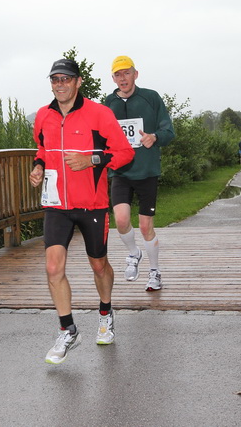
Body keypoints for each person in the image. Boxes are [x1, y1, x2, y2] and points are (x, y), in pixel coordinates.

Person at [30, 58, 135, 364]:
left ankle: (105, 313)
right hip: (56, 205)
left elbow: (124, 153)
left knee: (99, 265)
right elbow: (42, 149)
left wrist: (92, 160)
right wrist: (38, 167)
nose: (60, 84)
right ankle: (68, 330)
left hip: (92, 204)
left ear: (78, 82)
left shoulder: (99, 114)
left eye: (66, 79)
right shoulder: (43, 115)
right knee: (53, 267)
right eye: (55, 79)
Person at [104, 56, 175, 291]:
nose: (123, 78)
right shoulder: (108, 103)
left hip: (147, 171)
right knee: (121, 220)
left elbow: (168, 131)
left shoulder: (151, 97)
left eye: (127, 73)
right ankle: (134, 253)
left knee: (145, 227)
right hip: (120, 171)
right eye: (118, 74)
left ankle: (155, 272)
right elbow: (100, 135)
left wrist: (154, 137)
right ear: (113, 78)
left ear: (136, 74)